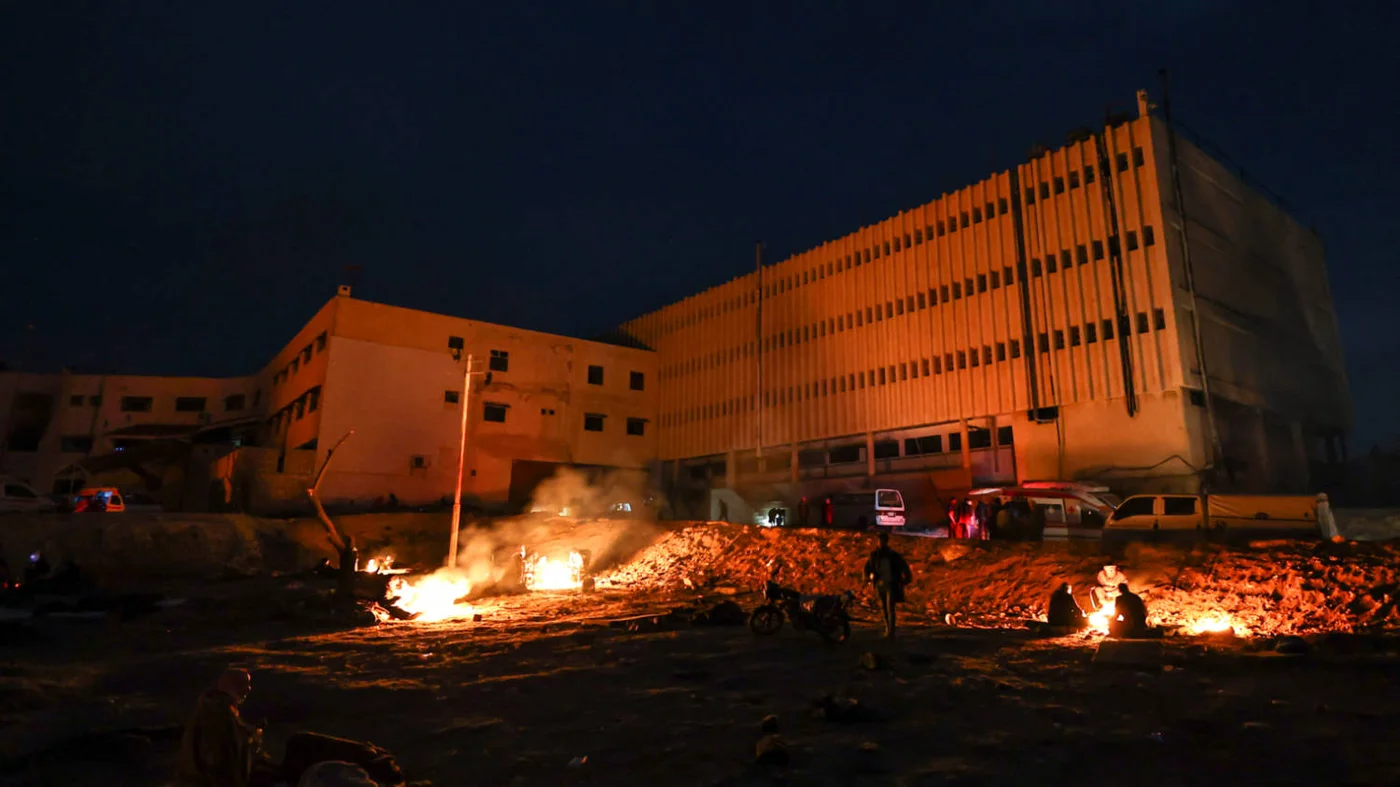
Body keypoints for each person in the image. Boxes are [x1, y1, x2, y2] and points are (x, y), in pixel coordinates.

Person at [175, 668, 280, 787]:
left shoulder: (216, 707)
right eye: (244, 684)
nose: (249, 689)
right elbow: (224, 748)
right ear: (231, 686)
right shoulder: (218, 711)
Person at [863, 532, 913, 640]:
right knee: (884, 607)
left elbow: (904, 567)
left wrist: (906, 580)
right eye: (879, 541)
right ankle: (887, 628)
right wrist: (869, 576)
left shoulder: (893, 555)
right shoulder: (874, 555)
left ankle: (891, 631)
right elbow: (867, 568)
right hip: (880, 584)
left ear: (886, 542)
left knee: (890, 607)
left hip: (891, 584)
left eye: (882, 541)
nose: (881, 543)